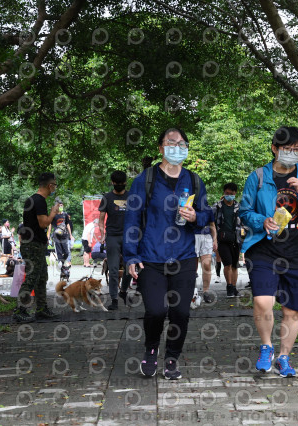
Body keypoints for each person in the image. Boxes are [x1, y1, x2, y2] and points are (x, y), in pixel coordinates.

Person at [124, 128, 212, 380]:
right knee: (156, 310)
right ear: (161, 148)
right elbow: (132, 219)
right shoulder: (145, 180)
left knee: (180, 313)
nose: (177, 147)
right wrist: (131, 256)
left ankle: (172, 358)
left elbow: (207, 213)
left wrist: (196, 216)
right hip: (151, 257)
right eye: (171, 142)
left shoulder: (194, 180)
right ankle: (151, 349)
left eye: (182, 143)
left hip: (184, 257)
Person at [240, 126, 298, 378]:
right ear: (274, 149)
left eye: (296, 149)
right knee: (262, 301)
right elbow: (244, 211)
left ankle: (284, 357)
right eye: (287, 149)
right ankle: (266, 346)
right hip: (264, 249)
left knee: (292, 310)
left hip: (297, 252)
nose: (292, 153)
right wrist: (262, 221)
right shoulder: (257, 177)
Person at [13, 172, 60, 323]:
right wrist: (53, 213)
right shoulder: (39, 201)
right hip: (32, 245)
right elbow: (43, 223)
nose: (55, 188)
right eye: (55, 185)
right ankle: (20, 310)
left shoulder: (34, 199)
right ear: (50, 185)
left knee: (41, 277)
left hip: (35, 244)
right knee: (32, 277)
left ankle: (41, 309)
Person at [98, 170, 132, 310]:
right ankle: (114, 299)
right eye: (116, 183)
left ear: (125, 183)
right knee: (113, 269)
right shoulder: (107, 197)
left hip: (129, 237)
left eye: (121, 183)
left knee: (130, 268)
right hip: (112, 236)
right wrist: (102, 234)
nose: (118, 185)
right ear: (112, 183)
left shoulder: (131, 196)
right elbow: (101, 219)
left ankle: (123, 291)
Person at [211, 182, 244, 299]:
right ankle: (229, 287)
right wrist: (214, 239)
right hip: (222, 239)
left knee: (235, 265)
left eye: (231, 193)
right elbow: (211, 222)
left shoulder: (239, 207)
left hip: (236, 239)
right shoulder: (217, 206)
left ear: (235, 193)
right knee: (228, 263)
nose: (228, 195)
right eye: (226, 193)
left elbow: (243, 223)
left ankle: (234, 288)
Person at [47, 202, 74, 268]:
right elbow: (50, 225)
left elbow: (67, 224)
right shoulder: (54, 215)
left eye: (61, 205)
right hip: (56, 235)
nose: (60, 207)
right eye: (59, 206)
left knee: (66, 252)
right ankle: (60, 261)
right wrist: (48, 234)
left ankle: (62, 261)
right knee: (59, 250)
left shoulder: (65, 215)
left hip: (64, 235)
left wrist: (70, 234)